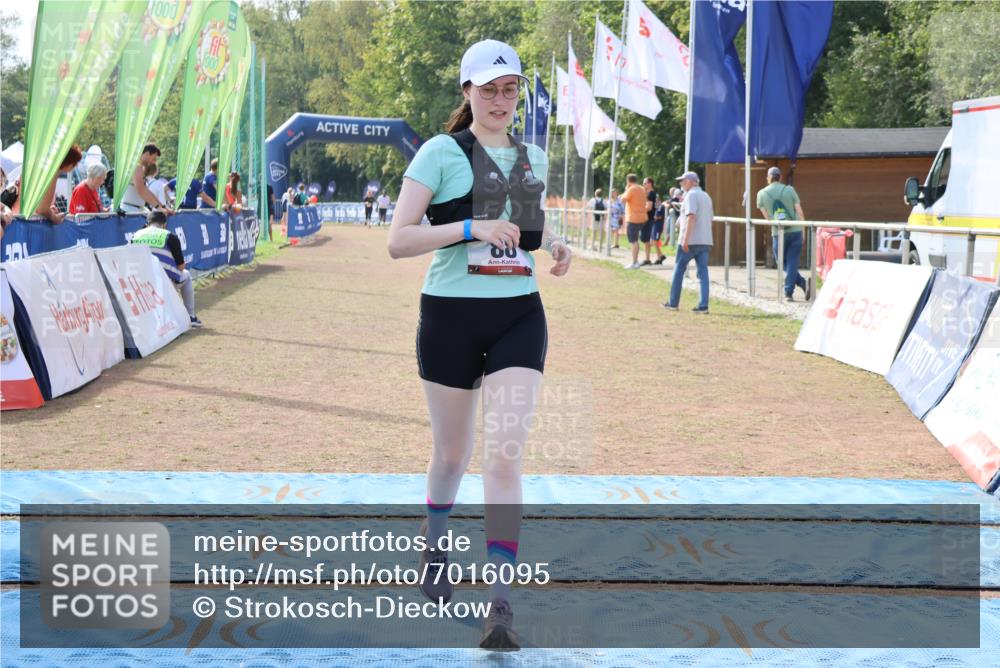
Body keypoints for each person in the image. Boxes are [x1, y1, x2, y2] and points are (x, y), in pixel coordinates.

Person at [387, 38, 571, 652]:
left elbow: (529, 232)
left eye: (509, 88)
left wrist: (558, 246)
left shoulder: (533, 154)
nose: (499, 99)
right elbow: (399, 240)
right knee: (452, 454)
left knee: (503, 457)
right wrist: (469, 226)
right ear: (467, 93)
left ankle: (499, 603)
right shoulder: (440, 153)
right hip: (449, 319)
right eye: (488, 89)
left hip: (519, 316)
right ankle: (434, 540)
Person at [131, 210, 202, 328]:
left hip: (140, 282)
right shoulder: (169, 236)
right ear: (164, 224)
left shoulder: (136, 235)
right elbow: (181, 266)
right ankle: (191, 316)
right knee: (187, 275)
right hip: (162, 281)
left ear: (147, 223)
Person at [757, 165, 811, 302]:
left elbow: (767, 218)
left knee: (781, 262)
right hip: (795, 230)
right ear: (780, 177)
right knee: (792, 262)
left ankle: (789, 292)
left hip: (778, 232)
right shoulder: (790, 190)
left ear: (768, 178)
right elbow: (800, 212)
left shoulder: (761, 194)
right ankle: (803, 284)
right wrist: (803, 230)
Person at [663, 171, 713, 313]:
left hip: (690, 240)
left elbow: (691, 217)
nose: (681, 184)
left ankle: (673, 302)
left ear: (691, 182)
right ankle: (703, 305)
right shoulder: (706, 196)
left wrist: (685, 239)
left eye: (683, 181)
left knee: (679, 269)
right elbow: (710, 220)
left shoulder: (691, 195)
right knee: (703, 272)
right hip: (705, 239)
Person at [121, 144, 168, 214]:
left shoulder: (137, 167)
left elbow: (146, 190)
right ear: (147, 154)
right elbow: (141, 190)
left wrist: (163, 207)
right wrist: (159, 207)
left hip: (134, 209)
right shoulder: (137, 167)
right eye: (154, 159)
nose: (154, 162)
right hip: (130, 210)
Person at [620, 174, 647, 269]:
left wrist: (626, 189)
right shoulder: (642, 188)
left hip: (633, 218)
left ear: (628, 181)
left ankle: (635, 262)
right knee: (636, 240)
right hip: (643, 217)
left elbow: (622, 200)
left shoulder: (631, 189)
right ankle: (635, 261)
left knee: (633, 241)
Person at [642, 177, 660, 265]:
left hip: (648, 218)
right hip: (650, 218)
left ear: (649, 183)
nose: (643, 185)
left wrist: (639, 210)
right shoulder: (652, 193)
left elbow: (648, 207)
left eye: (645, 183)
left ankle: (647, 259)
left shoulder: (651, 194)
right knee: (647, 239)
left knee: (646, 239)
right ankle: (654, 257)